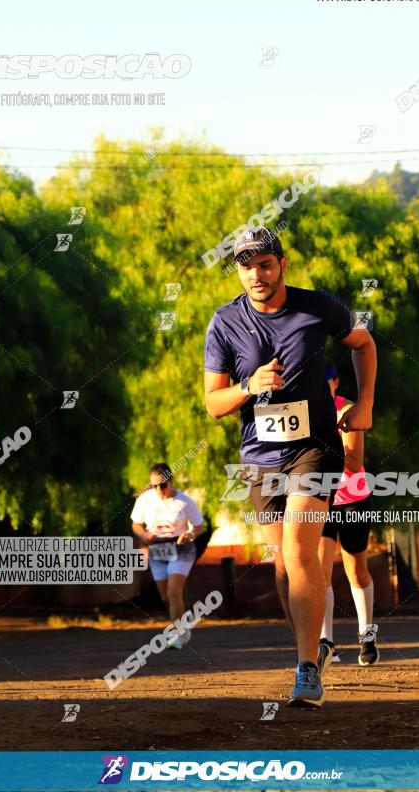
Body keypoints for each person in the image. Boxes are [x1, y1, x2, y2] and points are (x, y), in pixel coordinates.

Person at [204, 226, 376, 707]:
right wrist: (248, 385)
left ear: (282, 263)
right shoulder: (224, 323)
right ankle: (309, 650)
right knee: (283, 566)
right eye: (246, 266)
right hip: (261, 456)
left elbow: (363, 344)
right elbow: (214, 402)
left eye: (264, 264)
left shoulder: (319, 307)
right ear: (237, 271)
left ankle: (305, 668)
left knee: (301, 554)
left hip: (315, 449)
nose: (256, 274)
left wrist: (363, 405)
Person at [318, 361, 379, 671]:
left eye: (326, 379)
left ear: (336, 381)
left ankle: (366, 635)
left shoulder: (348, 411)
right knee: (319, 571)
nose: (322, 385)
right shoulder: (306, 413)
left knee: (356, 570)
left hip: (352, 500)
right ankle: (325, 643)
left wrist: (324, 442)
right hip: (319, 501)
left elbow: (354, 463)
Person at [131, 463, 204, 649]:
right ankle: (183, 620)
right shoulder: (144, 500)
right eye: (154, 486)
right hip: (157, 549)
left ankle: (175, 636)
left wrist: (190, 534)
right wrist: (144, 535)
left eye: (162, 485)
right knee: (165, 596)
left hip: (181, 549)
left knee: (173, 591)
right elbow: (136, 525)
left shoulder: (184, 501)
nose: (158, 490)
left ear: (171, 482)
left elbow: (199, 527)